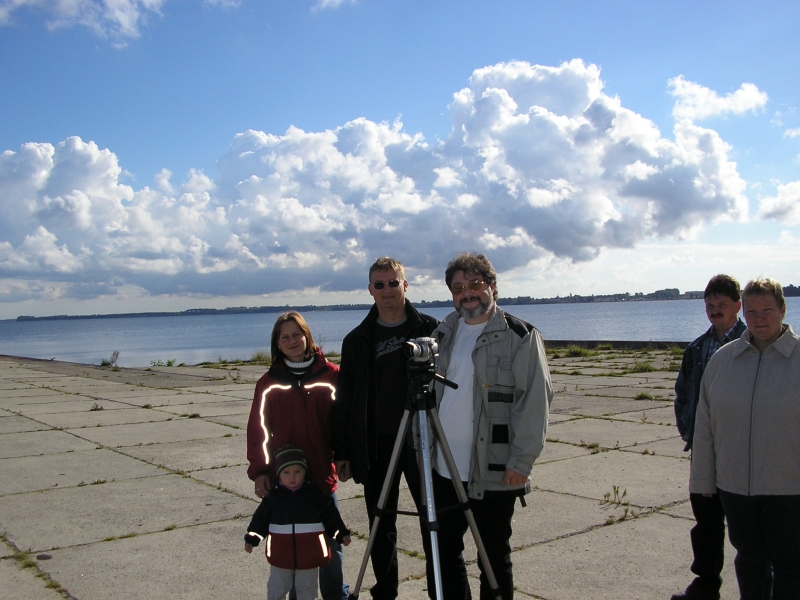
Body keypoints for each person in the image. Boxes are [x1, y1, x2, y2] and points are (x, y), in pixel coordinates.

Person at [430, 252, 552, 600]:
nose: (467, 293)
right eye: (458, 288)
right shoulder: (442, 333)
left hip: (494, 469)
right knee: (444, 554)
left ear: (492, 286)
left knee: (493, 558)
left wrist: (521, 462)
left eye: (474, 284)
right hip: (444, 469)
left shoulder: (520, 335)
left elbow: (535, 402)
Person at [331, 256, 439, 600]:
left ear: (405, 285)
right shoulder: (357, 340)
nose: (387, 290)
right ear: (370, 290)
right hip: (375, 444)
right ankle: (386, 590)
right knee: (380, 522)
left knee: (433, 519)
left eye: (393, 282)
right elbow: (345, 399)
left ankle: (440, 589)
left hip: (423, 440)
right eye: (380, 284)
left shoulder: (432, 329)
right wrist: (342, 452)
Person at [690, 278, 800, 600]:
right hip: (736, 489)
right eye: (752, 311)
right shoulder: (723, 361)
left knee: (791, 567)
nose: (759, 318)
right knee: (750, 564)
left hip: (789, 490)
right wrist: (703, 480)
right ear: (743, 312)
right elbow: (705, 427)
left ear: (783, 309)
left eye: (767, 310)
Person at [246, 312, 348, 600]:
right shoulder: (268, 383)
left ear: (307, 337)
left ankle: (335, 594)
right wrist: (260, 472)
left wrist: (344, 456)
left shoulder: (331, 375)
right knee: (294, 546)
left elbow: (343, 423)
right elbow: (258, 431)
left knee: (331, 542)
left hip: (321, 476)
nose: (292, 341)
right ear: (277, 344)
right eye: (285, 337)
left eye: (296, 334)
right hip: (287, 482)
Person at [672, 275, 746, 600]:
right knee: (706, 522)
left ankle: (760, 587)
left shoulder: (752, 346)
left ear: (737, 306)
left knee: (748, 526)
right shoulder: (697, 348)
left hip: (742, 450)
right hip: (704, 449)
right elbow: (682, 394)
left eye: (722, 305)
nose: (715, 311)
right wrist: (689, 430)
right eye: (710, 305)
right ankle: (705, 584)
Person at [246, 445, 352, 600]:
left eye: (297, 471)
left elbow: (331, 517)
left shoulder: (315, 495)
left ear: (304, 472)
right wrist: (252, 538)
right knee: (277, 586)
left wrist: (341, 534)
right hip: (281, 555)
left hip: (309, 555)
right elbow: (260, 520)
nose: (292, 477)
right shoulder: (273, 498)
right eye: (286, 472)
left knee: (307, 588)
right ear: (279, 474)